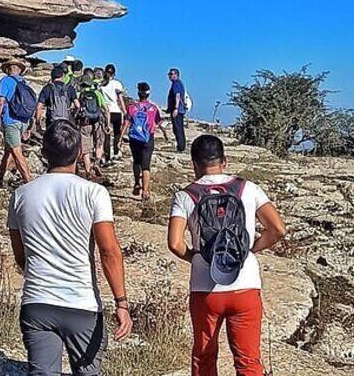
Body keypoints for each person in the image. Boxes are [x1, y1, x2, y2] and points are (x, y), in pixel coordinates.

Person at [8, 121, 133, 375]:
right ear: (78, 153)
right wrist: (121, 302)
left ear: (43, 153)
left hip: (37, 301)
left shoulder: (21, 195)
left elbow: (21, 256)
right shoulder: (94, 193)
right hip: (82, 304)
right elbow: (109, 251)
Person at [167, 135, 287, 376]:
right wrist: (250, 251)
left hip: (205, 289)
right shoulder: (248, 188)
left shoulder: (185, 196)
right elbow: (278, 229)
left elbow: (175, 243)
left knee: (204, 357)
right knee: (248, 361)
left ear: (194, 164)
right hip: (246, 286)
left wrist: (195, 258)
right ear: (225, 161)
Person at [121, 82, 165, 201]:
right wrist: (165, 133)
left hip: (134, 138)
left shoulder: (132, 107)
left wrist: (120, 138)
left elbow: (126, 123)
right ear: (148, 94)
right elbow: (159, 122)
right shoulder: (153, 108)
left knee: (136, 161)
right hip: (148, 138)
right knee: (146, 165)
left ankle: (136, 183)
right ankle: (145, 192)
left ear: (138, 93)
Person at [0, 58, 34, 185]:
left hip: (10, 121)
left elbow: (1, 102)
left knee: (17, 153)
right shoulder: (25, 83)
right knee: (8, 150)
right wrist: (29, 127)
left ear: (7, 69)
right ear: (19, 70)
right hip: (24, 121)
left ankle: (29, 183)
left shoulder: (5, 81)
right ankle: (0, 178)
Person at [76, 75, 110, 178]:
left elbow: (77, 108)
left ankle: (88, 171)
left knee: (86, 149)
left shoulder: (81, 94)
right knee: (99, 144)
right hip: (97, 122)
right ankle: (97, 162)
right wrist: (108, 124)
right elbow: (106, 109)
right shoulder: (97, 93)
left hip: (85, 123)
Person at [35, 65, 79, 130]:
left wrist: (38, 123)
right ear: (63, 76)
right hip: (66, 121)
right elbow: (77, 105)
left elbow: (39, 107)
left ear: (52, 76)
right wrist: (73, 115)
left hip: (51, 122)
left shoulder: (47, 88)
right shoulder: (70, 88)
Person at [100, 64, 128, 162]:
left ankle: (107, 155)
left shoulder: (101, 84)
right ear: (114, 73)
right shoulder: (117, 84)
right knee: (117, 133)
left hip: (105, 111)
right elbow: (120, 99)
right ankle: (116, 152)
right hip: (116, 111)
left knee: (106, 134)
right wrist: (125, 111)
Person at [167, 68, 187, 152]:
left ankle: (181, 147)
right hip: (179, 109)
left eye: (172, 74)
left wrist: (175, 108)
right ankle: (181, 146)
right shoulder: (179, 83)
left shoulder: (176, 84)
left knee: (177, 128)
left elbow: (177, 96)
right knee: (179, 128)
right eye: (169, 74)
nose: (170, 76)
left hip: (178, 110)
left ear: (176, 75)